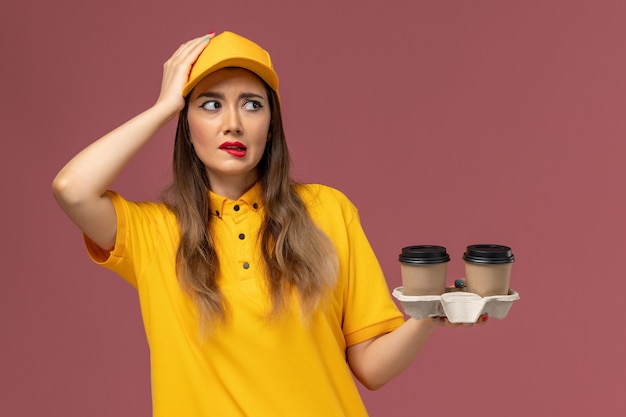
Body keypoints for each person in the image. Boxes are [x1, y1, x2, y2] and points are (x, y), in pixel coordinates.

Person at [52, 31, 477, 416]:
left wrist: (429, 312)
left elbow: (370, 367)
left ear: (271, 125)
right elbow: (72, 188)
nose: (232, 123)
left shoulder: (328, 211)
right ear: (186, 126)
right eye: (210, 104)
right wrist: (164, 106)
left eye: (252, 104)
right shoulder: (156, 233)